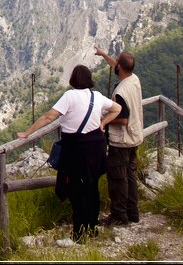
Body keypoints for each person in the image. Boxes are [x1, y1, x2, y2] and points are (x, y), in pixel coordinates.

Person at [17, 64, 121, 240]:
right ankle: (92, 228)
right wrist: (102, 123)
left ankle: (79, 233)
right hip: (96, 148)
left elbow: (48, 117)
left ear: (73, 80)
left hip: (76, 150)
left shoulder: (69, 96)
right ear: (89, 79)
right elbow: (117, 109)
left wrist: (27, 133)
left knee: (76, 190)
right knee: (92, 187)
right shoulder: (96, 96)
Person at [95, 46, 144, 226]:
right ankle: (133, 213)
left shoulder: (120, 92)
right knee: (130, 176)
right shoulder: (133, 79)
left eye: (117, 62)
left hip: (122, 140)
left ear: (120, 68)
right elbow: (117, 65)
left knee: (117, 178)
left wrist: (103, 119)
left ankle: (119, 216)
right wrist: (104, 55)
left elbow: (122, 119)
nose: (115, 64)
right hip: (134, 136)